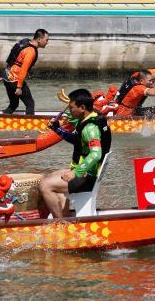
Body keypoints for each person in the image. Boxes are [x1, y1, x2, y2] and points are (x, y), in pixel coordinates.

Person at [39, 88, 111, 218]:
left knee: (45, 185)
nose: (70, 111)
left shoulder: (90, 128)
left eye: (71, 108)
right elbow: (78, 141)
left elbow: (96, 154)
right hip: (88, 171)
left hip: (87, 176)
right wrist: (58, 130)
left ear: (82, 107)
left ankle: (60, 222)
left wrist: (75, 172)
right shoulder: (93, 116)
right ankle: (63, 214)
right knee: (48, 177)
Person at [2, 29, 50, 115]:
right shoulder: (31, 51)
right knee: (30, 103)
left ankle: (1, 120)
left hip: (6, 76)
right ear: (39, 39)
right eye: (46, 40)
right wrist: (19, 87)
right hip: (15, 79)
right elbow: (23, 69)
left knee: (13, 104)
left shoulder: (26, 42)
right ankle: (30, 125)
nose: (47, 42)